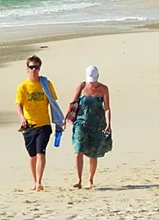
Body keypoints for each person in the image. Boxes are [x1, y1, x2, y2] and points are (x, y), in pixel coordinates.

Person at [16, 55, 61, 191]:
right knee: (32, 155)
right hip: (29, 126)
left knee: (41, 152)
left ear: (39, 68)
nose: (34, 70)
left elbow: (53, 103)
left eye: (36, 67)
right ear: (27, 69)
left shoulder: (46, 84)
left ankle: (39, 182)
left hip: (44, 124)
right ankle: (35, 181)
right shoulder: (23, 87)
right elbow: (19, 104)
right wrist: (22, 118)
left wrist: (58, 120)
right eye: (31, 67)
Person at [67, 64, 113, 189]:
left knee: (93, 154)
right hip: (81, 123)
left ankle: (91, 180)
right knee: (78, 150)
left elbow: (107, 108)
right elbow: (72, 103)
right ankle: (78, 179)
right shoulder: (81, 86)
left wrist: (108, 123)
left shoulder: (104, 89)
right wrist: (65, 118)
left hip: (97, 125)